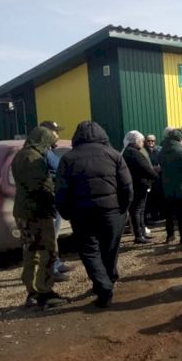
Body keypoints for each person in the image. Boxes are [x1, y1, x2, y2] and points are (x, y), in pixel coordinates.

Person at [56, 121, 133, 308]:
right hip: (111, 211)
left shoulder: (68, 158)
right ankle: (108, 280)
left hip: (81, 212)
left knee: (89, 251)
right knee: (110, 247)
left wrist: (66, 212)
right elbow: (126, 186)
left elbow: (61, 190)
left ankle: (103, 284)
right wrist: (123, 208)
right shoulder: (113, 155)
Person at [12, 127, 68, 309]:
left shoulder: (21, 155)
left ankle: (33, 292)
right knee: (46, 251)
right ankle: (44, 292)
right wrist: (55, 198)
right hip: (37, 213)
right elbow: (41, 186)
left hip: (23, 211)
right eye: (49, 142)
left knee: (30, 252)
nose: (50, 146)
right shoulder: (33, 158)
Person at [39, 120, 74, 282]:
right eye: (55, 132)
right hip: (48, 200)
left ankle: (56, 263)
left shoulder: (50, 150)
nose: (58, 135)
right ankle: (50, 269)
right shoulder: (42, 152)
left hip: (55, 198)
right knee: (49, 236)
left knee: (54, 235)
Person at [122, 131, 159, 244]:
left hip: (137, 184)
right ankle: (139, 235)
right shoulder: (133, 153)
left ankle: (142, 233)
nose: (143, 143)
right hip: (138, 185)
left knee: (140, 210)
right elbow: (145, 168)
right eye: (142, 141)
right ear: (136, 141)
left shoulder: (129, 152)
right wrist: (156, 176)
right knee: (137, 210)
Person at [144, 133, 164, 223]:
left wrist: (160, 167)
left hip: (158, 178)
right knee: (150, 198)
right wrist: (152, 168)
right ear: (145, 141)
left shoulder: (157, 151)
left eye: (153, 141)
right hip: (149, 178)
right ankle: (150, 216)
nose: (151, 142)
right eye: (149, 141)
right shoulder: (144, 152)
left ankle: (156, 215)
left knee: (158, 196)